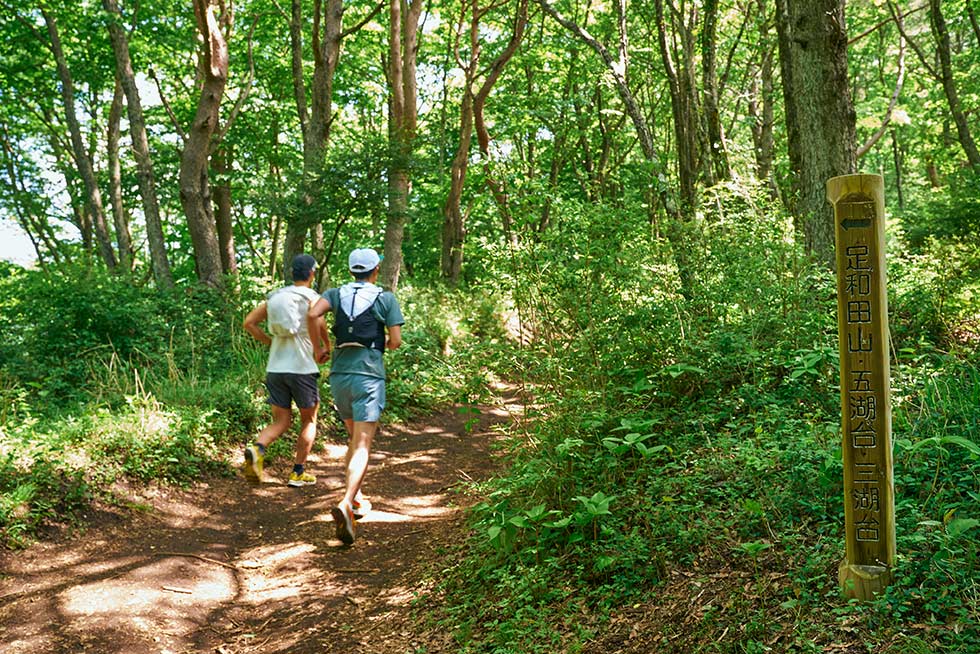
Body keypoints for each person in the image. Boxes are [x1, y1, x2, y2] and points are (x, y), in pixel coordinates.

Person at [308, 248, 404, 545]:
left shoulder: (335, 294)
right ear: (376, 269)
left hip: (340, 376)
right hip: (368, 377)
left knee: (353, 440)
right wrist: (385, 343)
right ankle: (347, 501)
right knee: (362, 443)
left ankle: (358, 499)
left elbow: (313, 314)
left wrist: (319, 347)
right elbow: (397, 342)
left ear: (352, 271)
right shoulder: (385, 298)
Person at [242, 254, 331, 487]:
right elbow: (318, 321)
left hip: (276, 367)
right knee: (309, 421)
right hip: (302, 368)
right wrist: (324, 347)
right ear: (311, 273)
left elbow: (249, 323)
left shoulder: (276, 297)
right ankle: (297, 472)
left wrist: (270, 343)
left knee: (281, 421)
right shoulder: (312, 297)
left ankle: (257, 448)